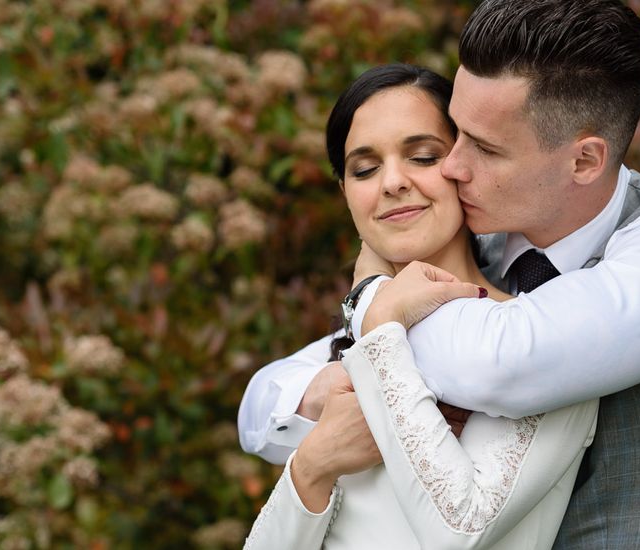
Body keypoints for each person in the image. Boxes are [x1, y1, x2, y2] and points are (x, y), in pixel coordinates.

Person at [240, 0, 640, 547]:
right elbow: (265, 399)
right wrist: (318, 396)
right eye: (456, 134)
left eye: (485, 147)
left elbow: (502, 362)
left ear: (584, 160)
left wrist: (373, 293)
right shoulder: (489, 235)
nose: (452, 166)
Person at [242, 63, 599, 550]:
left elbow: (461, 531)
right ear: (346, 194)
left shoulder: (542, 339)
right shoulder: (352, 344)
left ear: (464, 166)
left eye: (423, 156)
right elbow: (260, 410)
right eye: (364, 169)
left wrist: (380, 319)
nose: (392, 182)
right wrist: (311, 466)